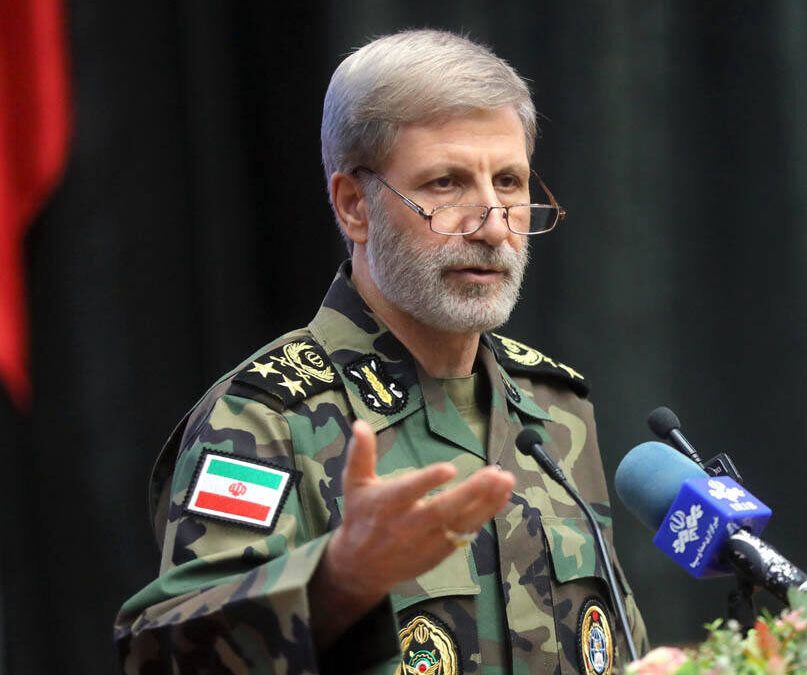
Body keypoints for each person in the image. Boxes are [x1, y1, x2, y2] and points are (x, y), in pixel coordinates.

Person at [114, 29, 649, 674]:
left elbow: (611, 644)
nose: (491, 223)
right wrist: (339, 579)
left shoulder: (553, 409)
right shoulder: (263, 420)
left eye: (508, 181)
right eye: (446, 184)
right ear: (353, 206)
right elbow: (166, 656)